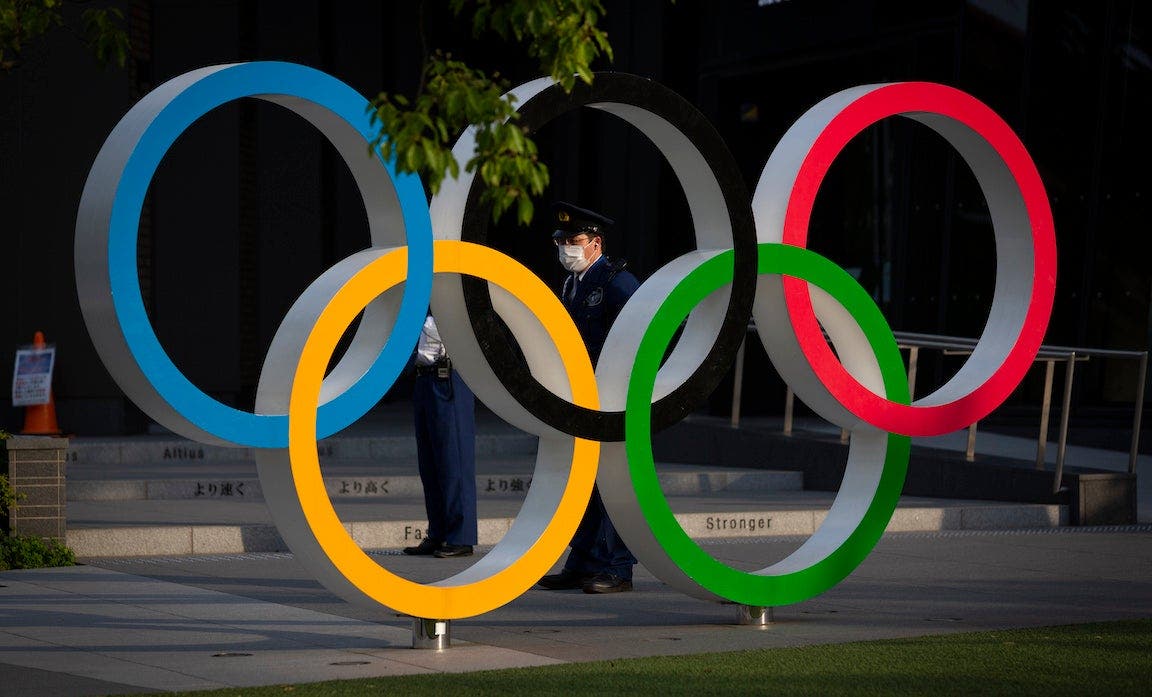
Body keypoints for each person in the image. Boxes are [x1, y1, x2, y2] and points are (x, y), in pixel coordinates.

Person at [537, 201, 641, 594]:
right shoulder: (572, 283)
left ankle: (619, 568)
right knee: (583, 484)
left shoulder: (618, 282)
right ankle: (582, 562)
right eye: (561, 240)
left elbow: (638, 340)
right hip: (581, 398)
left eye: (574, 240)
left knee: (614, 483)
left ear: (595, 243)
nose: (566, 247)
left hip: (611, 398)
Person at [403, 315, 478, 558]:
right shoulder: (418, 295)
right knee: (430, 463)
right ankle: (438, 531)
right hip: (424, 377)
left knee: (453, 460)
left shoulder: (454, 291)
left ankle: (461, 536)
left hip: (449, 377)